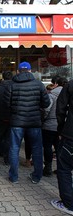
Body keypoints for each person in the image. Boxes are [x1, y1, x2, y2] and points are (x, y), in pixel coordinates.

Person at [5, 61, 50, 184]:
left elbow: (6, 104)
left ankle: (13, 177)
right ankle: (36, 176)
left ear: (18, 71)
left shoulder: (11, 85)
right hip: (34, 121)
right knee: (37, 149)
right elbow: (46, 103)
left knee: (14, 148)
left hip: (17, 122)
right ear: (30, 71)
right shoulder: (39, 84)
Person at [51, 78, 73, 215]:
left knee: (64, 169)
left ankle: (69, 204)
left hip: (70, 135)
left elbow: (61, 108)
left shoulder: (70, 85)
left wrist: (61, 129)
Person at [42, 77, 68, 177]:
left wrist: (43, 120)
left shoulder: (51, 95)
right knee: (59, 148)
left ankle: (48, 168)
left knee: (48, 147)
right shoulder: (68, 95)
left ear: (56, 84)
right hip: (63, 127)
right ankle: (60, 168)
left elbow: (46, 109)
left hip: (49, 125)